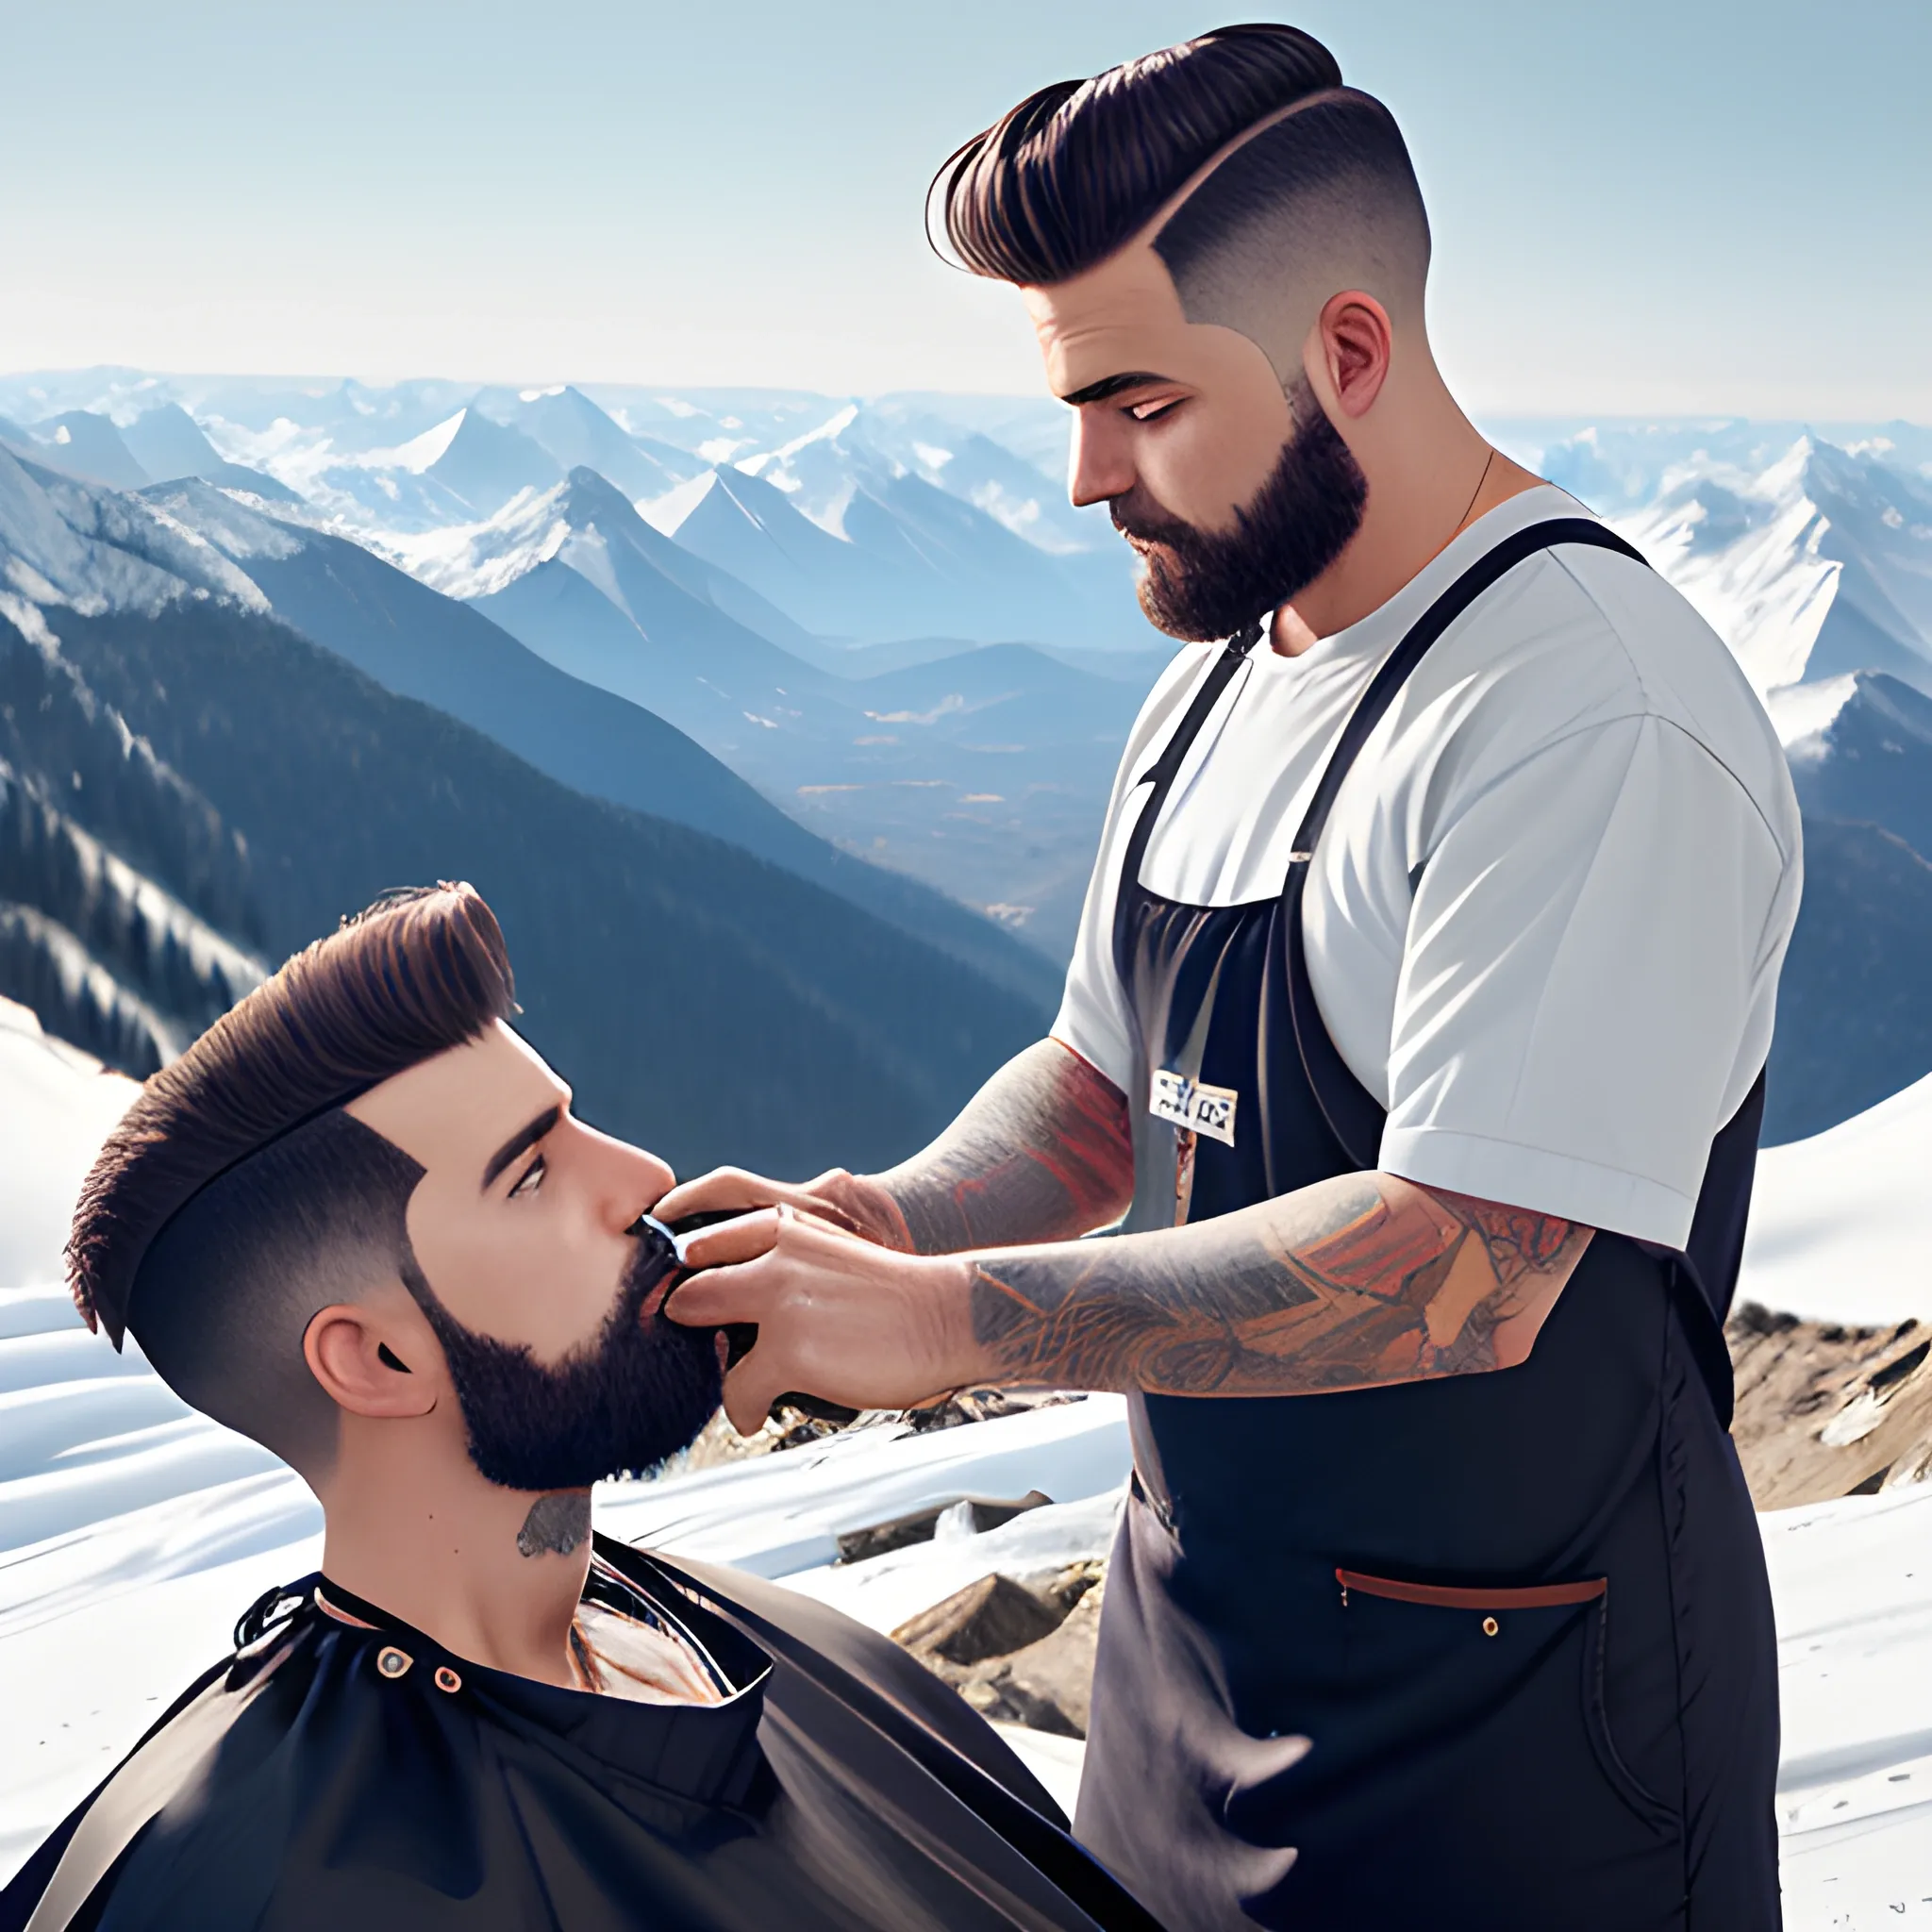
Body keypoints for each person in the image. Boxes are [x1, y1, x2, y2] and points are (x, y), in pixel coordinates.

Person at [658, 23, 1799, 1931]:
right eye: (1070, 406)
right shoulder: (1218, 676)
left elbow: (1472, 1262)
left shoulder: (1585, 707)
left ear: (1346, 353)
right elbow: (1101, 1092)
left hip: (1518, 1753)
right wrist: (870, 1223)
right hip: (1188, 1685)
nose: (1086, 474)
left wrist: (943, 1323)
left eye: (1137, 402)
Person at [0, 884, 1158, 1932]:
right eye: (532, 1173)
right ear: (378, 1358)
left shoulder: (759, 1646)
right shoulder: (277, 1890)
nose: (645, 1173)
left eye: (575, 1120)